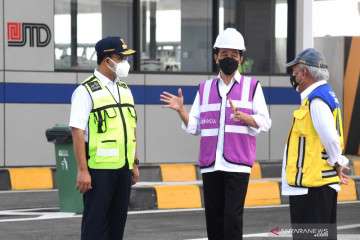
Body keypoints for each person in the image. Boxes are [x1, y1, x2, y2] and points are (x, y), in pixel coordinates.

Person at [160, 28, 271, 240]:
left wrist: (245, 117)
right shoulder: (205, 88)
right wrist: (181, 110)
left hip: (237, 164)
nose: (228, 59)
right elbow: (194, 127)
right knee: (214, 220)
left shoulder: (252, 87)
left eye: (233, 55)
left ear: (241, 59)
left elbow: (265, 122)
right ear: (215, 57)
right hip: (211, 165)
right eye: (224, 55)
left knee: (232, 220)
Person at [69, 36, 139, 240]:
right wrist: (83, 171)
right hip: (99, 171)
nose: (125, 62)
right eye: (121, 57)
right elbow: (77, 131)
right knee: (95, 227)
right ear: (107, 59)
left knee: (116, 228)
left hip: (124, 169)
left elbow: (132, 128)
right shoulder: (85, 91)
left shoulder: (125, 90)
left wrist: (134, 163)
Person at [281, 48, 350, 240]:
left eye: (294, 71)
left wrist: (338, 162)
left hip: (313, 187)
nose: (293, 76)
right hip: (315, 184)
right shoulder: (322, 95)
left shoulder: (317, 100)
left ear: (304, 72)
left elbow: (330, 136)